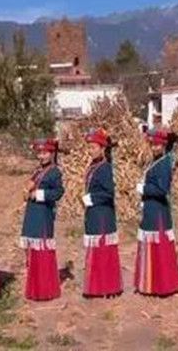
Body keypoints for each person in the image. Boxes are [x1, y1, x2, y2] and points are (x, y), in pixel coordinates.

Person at [134, 128, 178, 297]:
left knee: (159, 247)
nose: (154, 148)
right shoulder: (156, 161)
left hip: (158, 211)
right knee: (151, 245)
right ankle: (150, 283)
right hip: (150, 208)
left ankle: (163, 285)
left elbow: (162, 190)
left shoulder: (164, 163)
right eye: (152, 144)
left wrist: (144, 189)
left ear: (163, 145)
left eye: (157, 145)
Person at [20, 137, 65, 301]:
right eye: (39, 153)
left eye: (45, 153)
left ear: (52, 153)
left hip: (43, 214)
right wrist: (26, 191)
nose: (42, 156)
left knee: (42, 249)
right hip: (32, 212)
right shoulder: (37, 171)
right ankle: (35, 287)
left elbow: (58, 192)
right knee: (32, 249)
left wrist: (38, 194)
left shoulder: (55, 171)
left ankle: (45, 289)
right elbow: (30, 187)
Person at [81, 128, 122, 298]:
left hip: (103, 215)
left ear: (102, 148)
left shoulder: (104, 167)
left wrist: (91, 198)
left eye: (93, 147)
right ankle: (96, 286)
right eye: (89, 148)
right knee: (95, 251)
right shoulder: (93, 166)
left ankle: (108, 287)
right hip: (93, 213)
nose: (90, 151)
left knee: (103, 251)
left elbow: (109, 193)